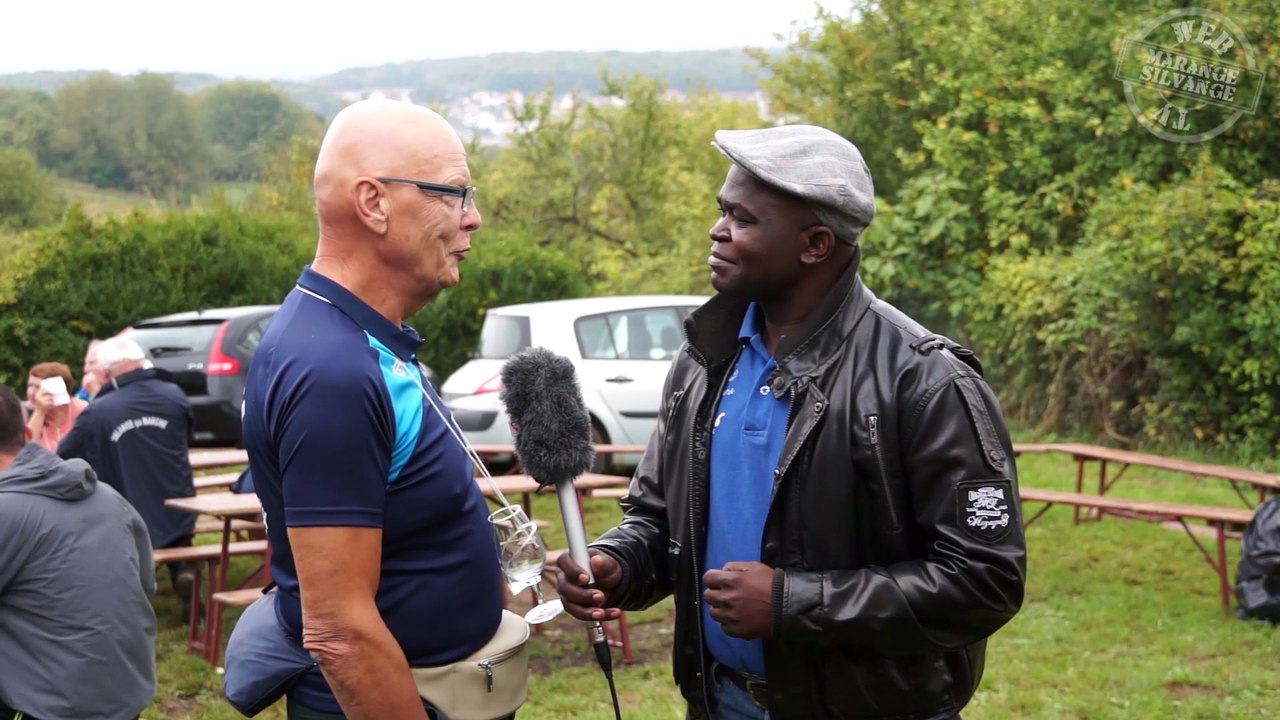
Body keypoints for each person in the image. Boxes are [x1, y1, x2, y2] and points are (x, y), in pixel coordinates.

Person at [556, 124, 1027, 720]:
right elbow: (659, 518)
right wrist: (617, 563)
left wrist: (790, 602)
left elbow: (984, 580)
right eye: (721, 210)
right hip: (722, 701)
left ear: (815, 244)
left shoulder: (928, 381)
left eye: (743, 218)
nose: (717, 229)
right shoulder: (705, 358)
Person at [240, 98, 501, 720]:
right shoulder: (332, 370)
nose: (475, 219)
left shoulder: (357, 337)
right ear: (374, 202)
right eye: (455, 194)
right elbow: (339, 631)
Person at [0, 383, 157, 720]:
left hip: (51, 705)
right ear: (29, 432)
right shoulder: (107, 495)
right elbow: (145, 585)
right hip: (127, 690)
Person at [57, 336, 198, 615]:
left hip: (127, 512)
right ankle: (183, 570)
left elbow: (64, 453)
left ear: (107, 373)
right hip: (179, 507)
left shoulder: (98, 411)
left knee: (127, 523)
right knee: (172, 523)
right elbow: (188, 437)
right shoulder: (174, 395)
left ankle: (133, 596)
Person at [23, 361, 88, 451]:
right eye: (30, 386)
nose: (31, 393)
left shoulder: (82, 410)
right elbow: (24, 450)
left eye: (38, 387)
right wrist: (39, 412)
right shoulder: (23, 412)